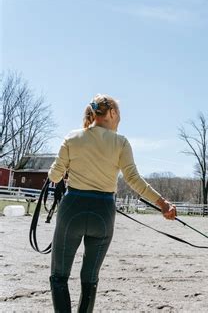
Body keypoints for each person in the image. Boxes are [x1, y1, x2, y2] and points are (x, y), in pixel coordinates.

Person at [48, 94, 176, 312]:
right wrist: (162, 203)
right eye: (120, 114)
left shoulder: (72, 137)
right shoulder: (121, 142)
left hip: (72, 209)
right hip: (103, 213)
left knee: (59, 275)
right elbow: (134, 179)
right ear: (112, 113)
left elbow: (54, 176)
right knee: (90, 278)